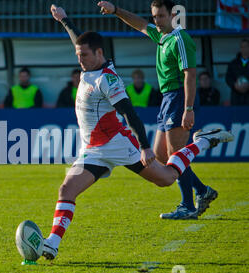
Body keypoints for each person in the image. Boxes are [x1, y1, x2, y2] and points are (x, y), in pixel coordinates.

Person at [42, 5, 234, 260]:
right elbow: (80, 41)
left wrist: (143, 146)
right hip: (93, 150)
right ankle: (52, 244)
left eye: (84, 55)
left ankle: (203, 142)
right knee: (66, 191)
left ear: (99, 53)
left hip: (118, 144)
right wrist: (64, 19)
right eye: (78, 55)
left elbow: (130, 114)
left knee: (165, 178)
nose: (80, 60)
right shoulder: (89, 66)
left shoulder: (107, 80)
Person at [99, 0, 216, 219]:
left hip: (180, 97)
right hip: (167, 99)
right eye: (155, 16)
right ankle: (202, 190)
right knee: (162, 156)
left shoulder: (181, 39)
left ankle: (188, 206)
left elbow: (190, 74)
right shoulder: (162, 36)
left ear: (172, 15)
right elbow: (140, 24)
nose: (157, 21)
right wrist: (115, 11)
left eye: (161, 16)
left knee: (175, 154)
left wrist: (188, 108)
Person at [225, 38, 249, 106]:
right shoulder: (233, 63)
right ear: (240, 48)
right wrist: (235, 85)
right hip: (236, 97)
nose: (244, 49)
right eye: (242, 47)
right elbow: (228, 78)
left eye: (246, 46)